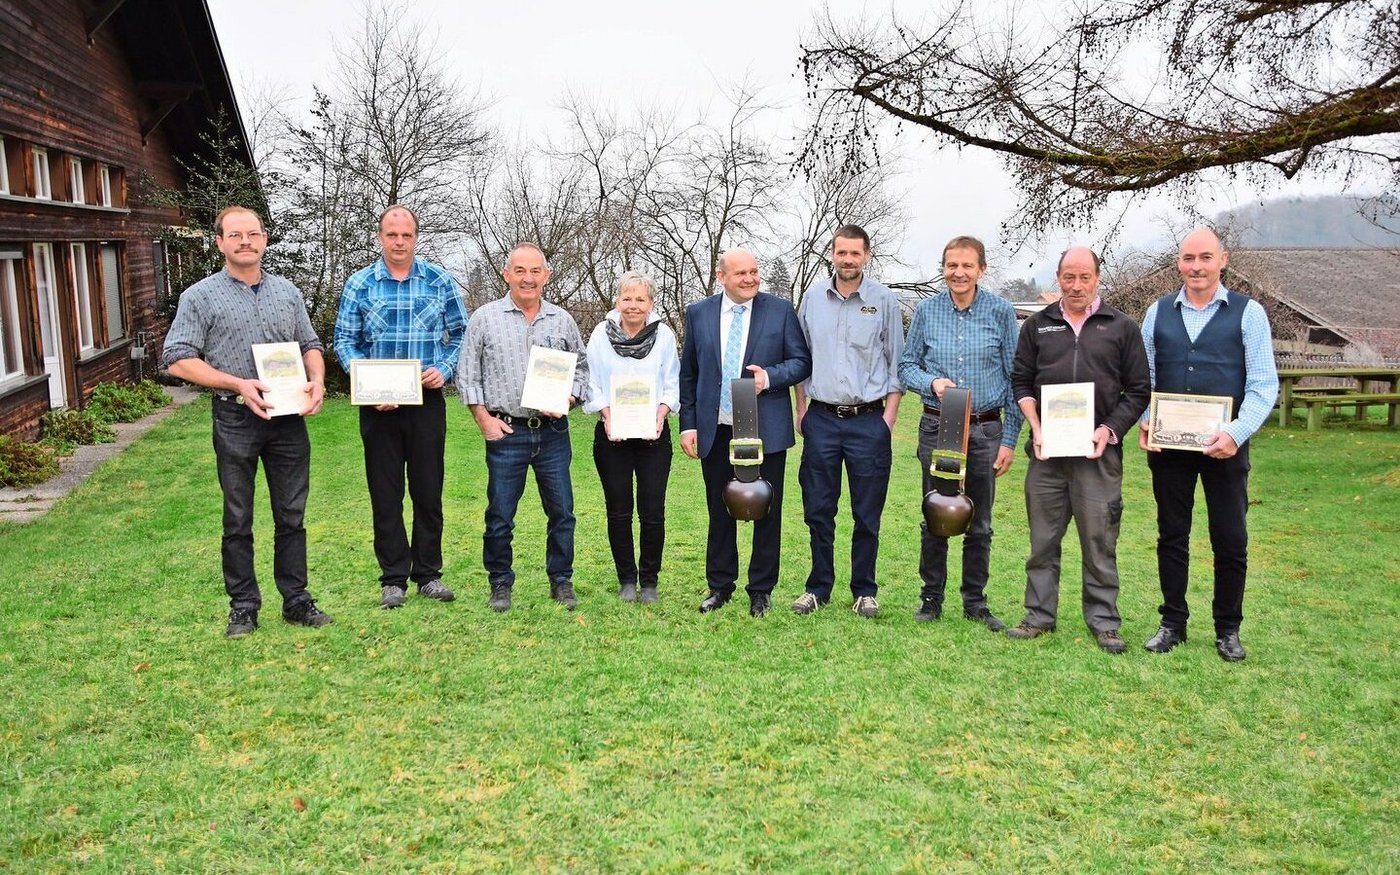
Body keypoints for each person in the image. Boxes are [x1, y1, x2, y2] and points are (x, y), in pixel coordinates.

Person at [162, 206, 334, 637]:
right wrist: (237, 384)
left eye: (253, 234)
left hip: (288, 417)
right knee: (238, 516)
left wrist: (316, 380)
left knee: (291, 514)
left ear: (264, 240)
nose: (245, 241)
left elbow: (310, 343)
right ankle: (243, 605)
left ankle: (296, 600)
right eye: (235, 234)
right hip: (235, 416)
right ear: (219, 242)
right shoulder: (199, 297)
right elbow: (177, 359)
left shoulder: (288, 293)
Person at [1139, 227, 1278, 662]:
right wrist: (1146, 420)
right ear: (1178, 263)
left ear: (1223, 259)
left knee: (1230, 539)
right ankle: (1172, 623)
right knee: (1172, 535)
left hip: (1226, 448)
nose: (1196, 266)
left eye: (1205, 257)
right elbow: (1145, 380)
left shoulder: (1248, 313)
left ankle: (1228, 629)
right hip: (1170, 450)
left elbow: (1262, 385)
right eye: (1187, 258)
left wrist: (1236, 433)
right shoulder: (1156, 313)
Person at [1006, 246, 1151, 653]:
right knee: (1042, 541)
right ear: (1058, 278)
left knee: (1099, 540)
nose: (1076, 285)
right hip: (1047, 455)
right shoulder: (1037, 326)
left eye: (1084, 277)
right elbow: (1021, 382)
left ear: (1097, 279)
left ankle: (1104, 621)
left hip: (1097, 456)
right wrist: (1035, 427)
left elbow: (1139, 390)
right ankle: (1038, 616)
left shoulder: (1121, 327)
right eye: (1068, 277)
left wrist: (1109, 429)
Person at [334, 205, 469, 609]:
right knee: (385, 492)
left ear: (415, 238)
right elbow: (344, 341)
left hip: (425, 402)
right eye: (391, 235)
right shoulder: (360, 284)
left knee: (428, 491)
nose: (399, 242)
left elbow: (462, 335)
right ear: (380, 237)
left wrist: (444, 368)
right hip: (378, 406)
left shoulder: (439, 280)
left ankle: (428, 573)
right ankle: (393, 578)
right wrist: (366, 384)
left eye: (406, 235)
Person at [679, 248, 812, 617]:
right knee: (719, 509)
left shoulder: (780, 310)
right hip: (716, 428)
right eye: (741, 273)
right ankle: (720, 586)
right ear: (721, 277)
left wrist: (768, 378)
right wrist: (688, 424)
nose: (751, 279)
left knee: (766, 509)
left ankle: (761, 589)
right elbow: (689, 374)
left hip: (765, 429)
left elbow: (801, 362)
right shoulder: (699, 313)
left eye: (755, 272)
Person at [899, 235, 1023, 628]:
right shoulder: (926, 311)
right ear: (944, 267)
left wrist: (1008, 440)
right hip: (938, 425)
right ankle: (931, 599)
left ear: (981, 269)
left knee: (980, 521)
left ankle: (975, 602)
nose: (959, 272)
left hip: (985, 429)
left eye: (967, 265)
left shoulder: (1002, 313)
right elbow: (906, 367)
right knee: (935, 513)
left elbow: (1015, 378)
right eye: (952, 265)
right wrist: (932, 382)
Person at [457, 242, 588, 612]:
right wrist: (484, 420)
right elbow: (468, 375)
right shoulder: (484, 318)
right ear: (507, 274)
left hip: (552, 434)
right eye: (520, 271)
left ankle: (561, 581)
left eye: (535, 271)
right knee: (500, 515)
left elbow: (582, 369)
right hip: (506, 431)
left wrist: (570, 399)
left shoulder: (561, 320)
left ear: (546, 275)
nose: (527, 279)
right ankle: (500, 583)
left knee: (562, 512)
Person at [792, 225, 904, 619]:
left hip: (869, 421)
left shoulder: (884, 301)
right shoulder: (812, 299)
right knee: (819, 508)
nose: (848, 260)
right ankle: (818, 587)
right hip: (820, 419)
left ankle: (865, 589)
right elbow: (802, 359)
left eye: (855, 253)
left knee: (866, 511)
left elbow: (897, 364)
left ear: (867, 255)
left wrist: (888, 419)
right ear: (833, 254)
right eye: (841, 252)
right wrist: (801, 409)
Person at [584, 271, 680, 604]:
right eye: (627, 298)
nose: (633, 305)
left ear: (651, 303)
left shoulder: (664, 335)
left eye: (640, 299)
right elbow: (591, 381)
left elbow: (672, 382)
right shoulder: (600, 334)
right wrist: (606, 414)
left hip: (654, 436)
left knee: (653, 511)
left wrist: (661, 413)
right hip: (612, 436)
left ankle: (650, 581)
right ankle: (626, 578)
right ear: (617, 301)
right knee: (619, 511)